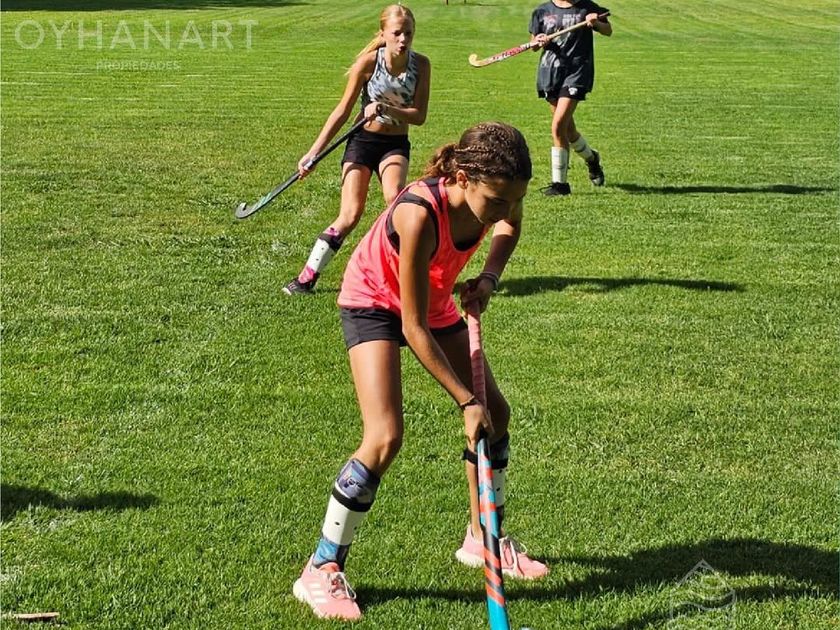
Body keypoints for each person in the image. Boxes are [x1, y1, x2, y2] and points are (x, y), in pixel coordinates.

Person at [292, 122, 549, 621]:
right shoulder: (418, 214)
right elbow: (411, 327)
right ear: (463, 178)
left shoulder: (501, 193)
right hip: (374, 301)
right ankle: (321, 567)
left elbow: (509, 228)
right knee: (385, 436)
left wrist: (488, 278)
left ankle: (482, 537)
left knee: (497, 414)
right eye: (496, 201)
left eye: (513, 200)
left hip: (431, 301)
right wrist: (465, 401)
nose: (505, 210)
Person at [283, 4, 431, 295]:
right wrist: (313, 153)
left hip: (394, 144)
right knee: (350, 214)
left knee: (395, 199)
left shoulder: (421, 65)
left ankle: (406, 275)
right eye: (397, 33)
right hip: (362, 142)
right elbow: (342, 111)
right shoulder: (368, 63)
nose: (403, 39)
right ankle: (305, 279)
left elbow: (419, 116)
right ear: (383, 34)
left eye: (408, 33)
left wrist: (386, 109)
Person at [529, 0, 612, 196]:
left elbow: (608, 30)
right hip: (550, 71)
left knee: (558, 126)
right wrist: (539, 40)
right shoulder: (542, 10)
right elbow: (533, 45)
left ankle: (560, 185)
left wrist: (596, 23)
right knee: (568, 130)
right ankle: (592, 159)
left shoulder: (587, 7)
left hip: (577, 72)